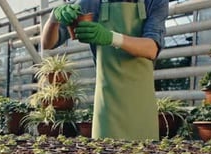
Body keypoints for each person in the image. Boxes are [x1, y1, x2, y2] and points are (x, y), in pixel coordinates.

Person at [42, 0, 169, 140]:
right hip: (108, 103)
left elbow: (151, 48)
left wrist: (111, 37)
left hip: (141, 104)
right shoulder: (92, 3)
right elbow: (48, 43)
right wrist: (54, 18)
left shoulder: (154, 2)